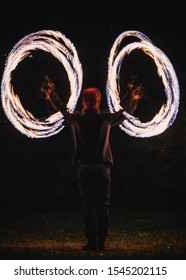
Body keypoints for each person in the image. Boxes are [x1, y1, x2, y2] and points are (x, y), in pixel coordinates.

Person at [40, 76, 142, 251]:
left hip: (84, 168)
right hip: (102, 168)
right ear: (99, 101)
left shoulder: (76, 119)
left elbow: (61, 109)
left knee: (88, 205)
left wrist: (50, 92)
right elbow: (121, 111)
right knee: (103, 206)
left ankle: (91, 242)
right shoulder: (105, 119)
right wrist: (130, 93)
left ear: (82, 102)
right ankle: (101, 241)